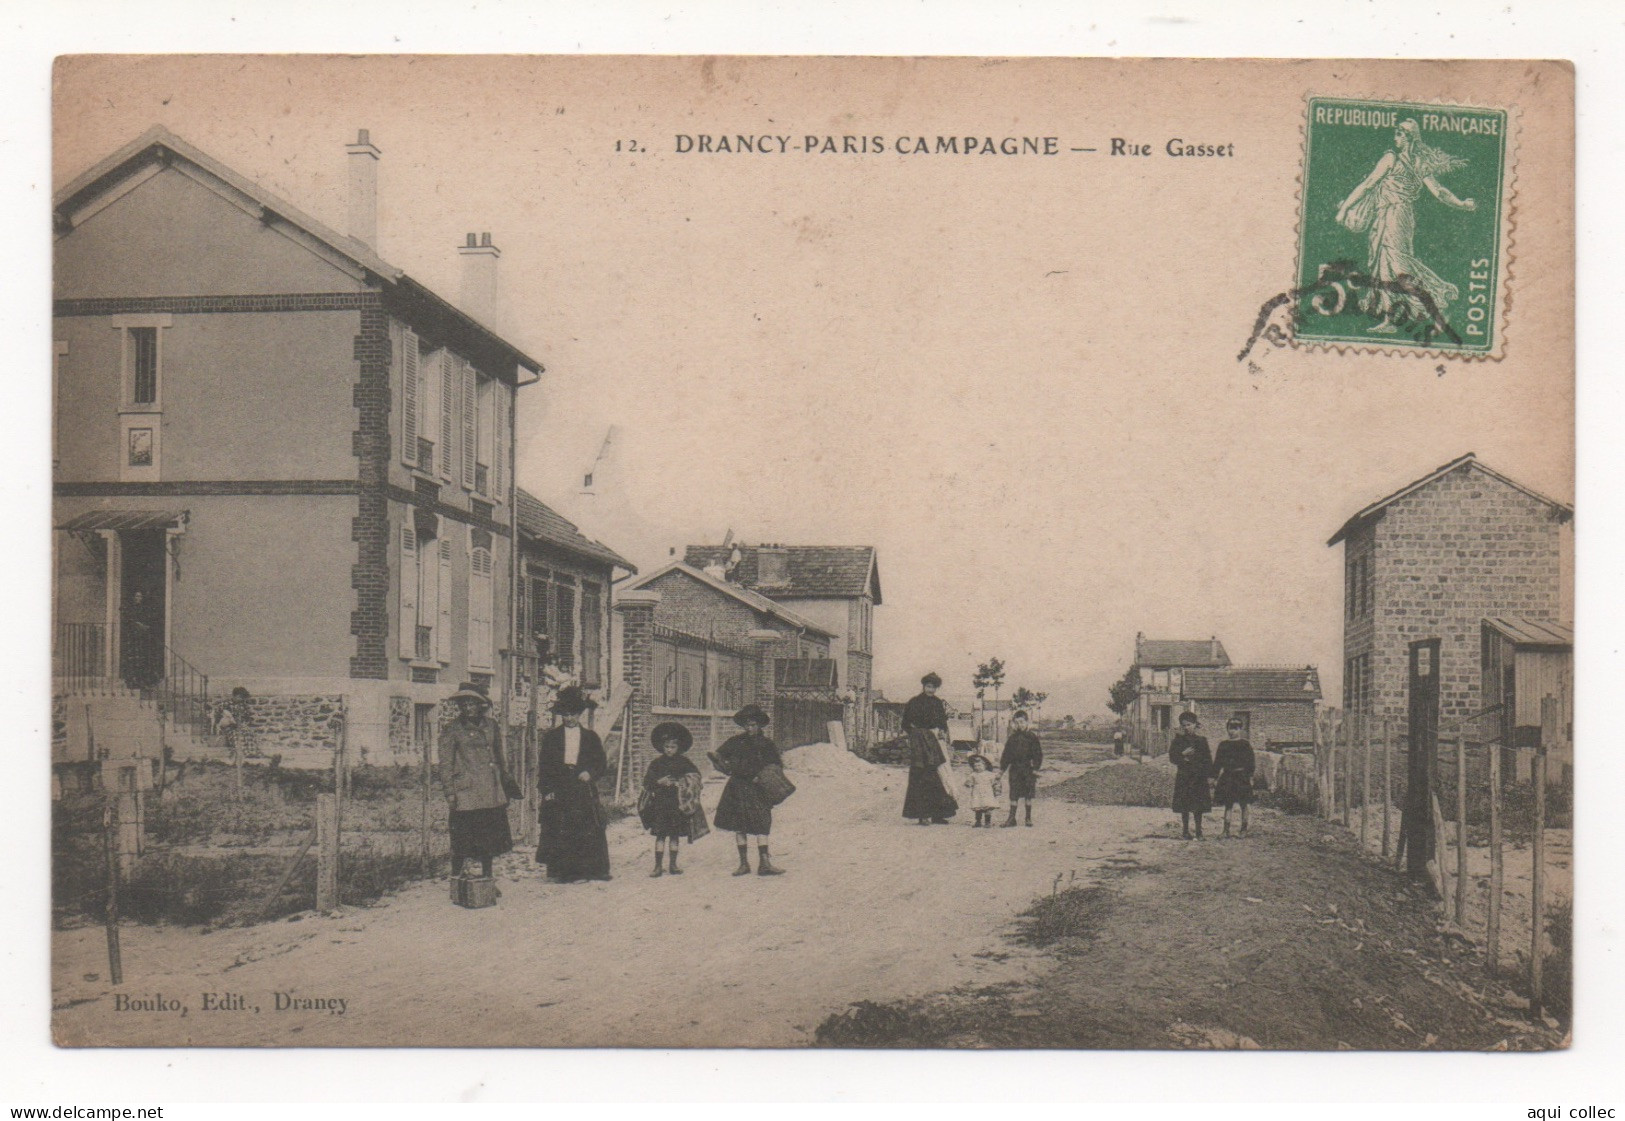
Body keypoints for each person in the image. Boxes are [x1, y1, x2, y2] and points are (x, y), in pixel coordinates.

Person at [1335, 118, 1476, 334]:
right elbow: (1440, 192)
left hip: (1393, 216)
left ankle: (1427, 307)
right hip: (1400, 217)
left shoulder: (1391, 158)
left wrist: (1345, 207)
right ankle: (1399, 316)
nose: (1395, 138)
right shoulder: (1419, 163)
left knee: (1395, 267)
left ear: (1407, 137)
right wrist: (1462, 204)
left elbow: (1368, 184)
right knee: (1391, 266)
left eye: (1398, 134)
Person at [439, 682, 519, 886]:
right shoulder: (452, 729)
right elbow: (445, 764)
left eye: (472, 704)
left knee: (488, 840)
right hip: (466, 793)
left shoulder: (491, 725)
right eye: (463, 704)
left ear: (480, 705)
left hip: (490, 790)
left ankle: (487, 880)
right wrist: (450, 792)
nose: (467, 708)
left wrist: (505, 782)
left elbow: (500, 757)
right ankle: (456, 881)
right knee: (462, 839)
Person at [536, 686, 612, 883]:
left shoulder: (590, 737)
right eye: (566, 715)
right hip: (560, 785)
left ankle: (588, 870)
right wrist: (547, 790)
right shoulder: (552, 738)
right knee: (560, 826)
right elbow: (544, 766)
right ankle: (562, 871)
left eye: (573, 714)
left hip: (581, 786)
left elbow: (601, 764)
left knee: (586, 826)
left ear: (580, 714)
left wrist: (590, 773)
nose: (569, 718)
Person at [712, 704, 785, 876]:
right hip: (737, 787)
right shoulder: (735, 742)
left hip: (759, 788)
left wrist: (763, 776)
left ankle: (764, 863)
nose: (750, 728)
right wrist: (721, 763)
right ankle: (743, 863)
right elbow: (719, 756)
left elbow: (776, 766)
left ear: (759, 725)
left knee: (762, 822)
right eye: (747, 725)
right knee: (739, 824)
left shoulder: (767, 744)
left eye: (753, 725)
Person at [639, 721, 707, 876]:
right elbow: (646, 783)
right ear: (662, 747)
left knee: (675, 835)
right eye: (666, 747)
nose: (669, 750)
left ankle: (673, 865)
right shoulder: (656, 763)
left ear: (679, 747)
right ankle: (657, 866)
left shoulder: (684, 762)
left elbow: (696, 777)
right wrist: (658, 781)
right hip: (661, 804)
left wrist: (681, 783)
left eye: (673, 747)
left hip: (677, 804)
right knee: (661, 835)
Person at [901, 672, 958, 825]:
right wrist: (915, 735)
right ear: (924, 686)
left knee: (938, 775)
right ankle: (922, 814)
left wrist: (942, 732)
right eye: (928, 686)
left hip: (934, 743)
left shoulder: (938, 703)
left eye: (933, 687)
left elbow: (943, 723)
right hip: (919, 743)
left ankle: (938, 814)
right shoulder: (914, 702)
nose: (931, 690)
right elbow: (905, 723)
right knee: (920, 776)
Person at [1169, 710, 1213, 839]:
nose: (1187, 727)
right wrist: (1183, 754)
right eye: (1184, 725)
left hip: (1199, 777)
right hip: (1184, 776)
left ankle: (1199, 832)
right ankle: (1185, 831)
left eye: (1189, 724)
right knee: (1185, 805)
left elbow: (1207, 759)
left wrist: (1210, 776)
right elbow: (1172, 758)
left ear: (1195, 725)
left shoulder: (1201, 741)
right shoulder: (1178, 741)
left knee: (1198, 806)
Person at [1212, 716, 1257, 838]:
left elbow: (1251, 762)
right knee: (1228, 804)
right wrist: (1214, 777)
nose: (1232, 731)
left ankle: (1243, 829)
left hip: (1242, 777)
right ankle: (1226, 830)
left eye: (1235, 729)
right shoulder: (1223, 745)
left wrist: (1250, 777)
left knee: (1244, 804)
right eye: (1230, 728)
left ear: (1240, 730)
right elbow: (1218, 762)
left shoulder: (1245, 745)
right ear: (1227, 729)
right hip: (1228, 777)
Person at [999, 709, 1044, 827]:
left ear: (1027, 722)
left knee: (1028, 794)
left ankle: (1028, 818)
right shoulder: (1012, 738)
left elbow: (1038, 754)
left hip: (1028, 769)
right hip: (1014, 769)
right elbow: (1006, 755)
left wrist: (1035, 768)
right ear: (1014, 723)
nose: (1020, 725)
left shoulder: (1032, 737)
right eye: (1017, 722)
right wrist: (1001, 770)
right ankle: (1011, 818)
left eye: (1022, 722)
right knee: (1013, 793)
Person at [963, 753, 1002, 828]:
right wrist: (968, 784)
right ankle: (978, 821)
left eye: (979, 765)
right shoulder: (973, 775)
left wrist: (997, 790)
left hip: (987, 792)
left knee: (988, 807)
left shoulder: (990, 774)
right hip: (977, 793)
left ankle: (987, 822)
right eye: (975, 766)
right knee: (978, 807)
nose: (977, 768)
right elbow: (969, 782)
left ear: (985, 766)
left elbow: (996, 782)